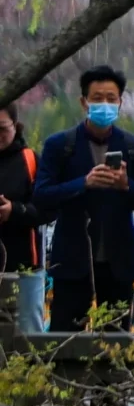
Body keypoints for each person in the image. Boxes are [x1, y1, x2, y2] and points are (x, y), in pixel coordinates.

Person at [34, 66, 134, 331]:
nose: (104, 105)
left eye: (111, 99)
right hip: (72, 261)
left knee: (116, 343)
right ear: (84, 102)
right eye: (97, 98)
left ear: (120, 103)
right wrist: (83, 183)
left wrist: (126, 185)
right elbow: (42, 195)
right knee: (66, 340)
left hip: (119, 262)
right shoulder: (60, 146)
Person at [0, 104, 51, 328]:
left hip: (25, 266)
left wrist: (14, 210)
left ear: (15, 126)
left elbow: (47, 209)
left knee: (28, 332)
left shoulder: (30, 160)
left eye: (2, 128)